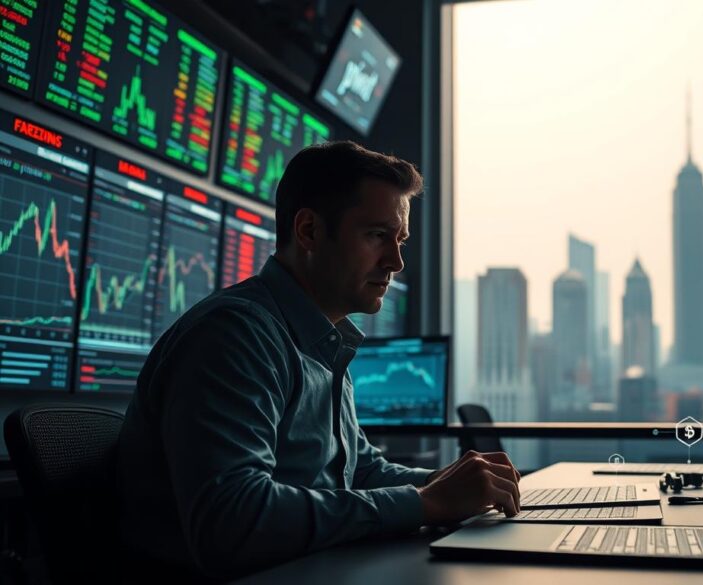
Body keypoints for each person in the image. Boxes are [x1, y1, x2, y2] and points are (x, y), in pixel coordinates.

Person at [116, 141, 521, 578]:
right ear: (308, 231)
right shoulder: (235, 336)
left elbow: (359, 470)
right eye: (377, 236)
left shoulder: (324, 341)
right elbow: (231, 521)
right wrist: (427, 503)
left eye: (399, 239)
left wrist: (450, 483)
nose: (396, 261)